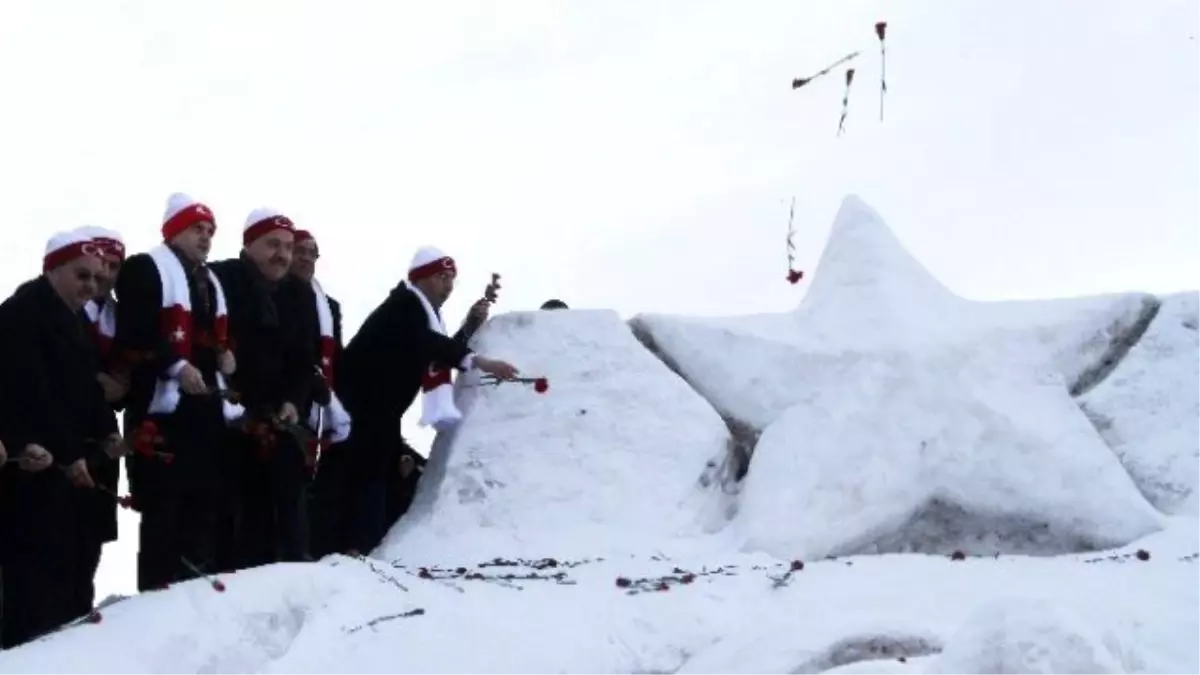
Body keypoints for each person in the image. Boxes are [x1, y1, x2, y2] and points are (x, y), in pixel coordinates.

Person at [335, 245, 518, 554]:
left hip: (380, 417)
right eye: (440, 277)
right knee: (362, 486)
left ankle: (361, 550)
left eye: (451, 279)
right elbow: (429, 344)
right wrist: (482, 362)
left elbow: (436, 353)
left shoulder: (420, 314)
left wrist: (472, 323)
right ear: (420, 278)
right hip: (360, 413)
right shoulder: (403, 306)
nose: (447, 286)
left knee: (381, 483)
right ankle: (353, 551)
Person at [0, 230, 126, 648]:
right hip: (35, 473)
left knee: (73, 578)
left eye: (97, 277)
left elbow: (85, 390)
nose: (92, 286)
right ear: (52, 270)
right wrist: (55, 451)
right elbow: (26, 393)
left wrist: (108, 431)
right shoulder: (21, 315)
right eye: (82, 275)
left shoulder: (72, 321)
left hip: (73, 473)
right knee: (34, 588)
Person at [113, 193, 244, 591]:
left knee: (203, 504)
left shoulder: (210, 281)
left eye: (210, 231)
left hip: (204, 410)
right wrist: (174, 363)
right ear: (173, 230)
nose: (205, 238)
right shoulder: (144, 269)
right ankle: (156, 596)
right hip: (160, 408)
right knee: (163, 509)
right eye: (196, 229)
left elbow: (213, 335)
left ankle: (195, 588)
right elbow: (134, 331)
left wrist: (226, 356)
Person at [210, 208, 317, 567]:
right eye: (273, 244)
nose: (283, 254)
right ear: (249, 243)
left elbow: (304, 359)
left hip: (278, 418)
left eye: (288, 246)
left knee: (288, 508)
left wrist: (293, 401)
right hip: (227, 419)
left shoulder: (300, 294)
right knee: (233, 520)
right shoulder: (220, 279)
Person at [70, 226, 129, 616]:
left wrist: (122, 384)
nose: (105, 274)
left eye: (113, 265)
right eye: (100, 263)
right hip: (65, 432)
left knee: (89, 539)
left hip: (103, 436)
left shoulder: (121, 315)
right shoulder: (62, 308)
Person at [290, 230, 356, 558]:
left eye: (311, 253)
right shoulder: (279, 295)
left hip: (322, 407)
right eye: (299, 251)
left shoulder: (329, 306)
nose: (305, 258)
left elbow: (337, 357)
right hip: (291, 401)